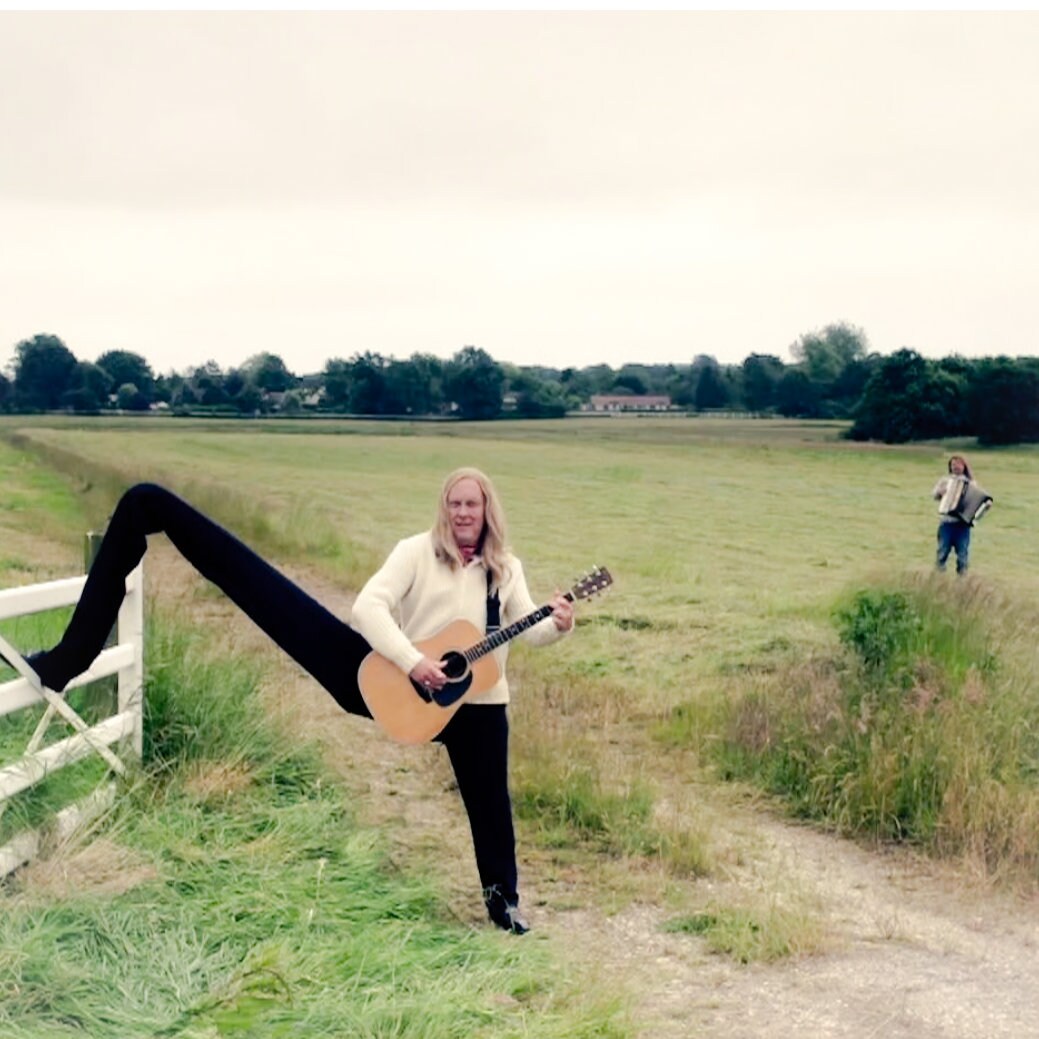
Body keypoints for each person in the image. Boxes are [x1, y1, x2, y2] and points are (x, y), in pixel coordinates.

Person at [15, 470, 574, 934]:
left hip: (476, 702)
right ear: (444, 507)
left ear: (487, 509)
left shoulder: (507, 569)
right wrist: (413, 662)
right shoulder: (417, 553)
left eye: (471, 503)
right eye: (453, 502)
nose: (461, 512)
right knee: (167, 516)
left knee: (491, 807)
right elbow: (367, 610)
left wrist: (558, 624)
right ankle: (73, 650)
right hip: (388, 682)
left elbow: (531, 630)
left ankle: (504, 904)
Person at [932, 454, 976, 575]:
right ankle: (938, 578)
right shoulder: (945, 481)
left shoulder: (971, 484)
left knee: (963, 555)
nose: (955, 467)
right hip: (946, 523)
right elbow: (934, 495)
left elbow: (977, 502)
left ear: (964, 466)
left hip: (962, 525)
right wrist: (940, 492)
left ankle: (962, 581)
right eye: (953, 465)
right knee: (942, 552)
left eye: (958, 464)